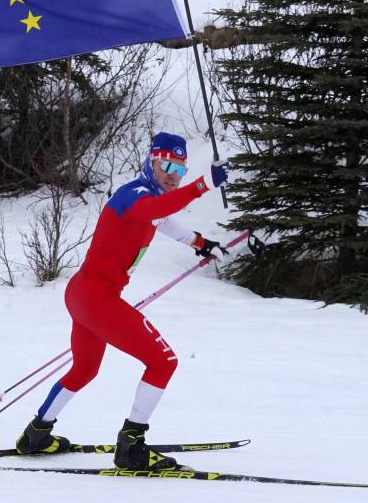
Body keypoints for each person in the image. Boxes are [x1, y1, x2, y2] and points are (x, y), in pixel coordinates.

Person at [15, 132, 230, 471]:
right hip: (96, 298)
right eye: (166, 165)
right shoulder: (133, 195)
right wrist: (204, 184)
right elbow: (157, 209)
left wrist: (201, 242)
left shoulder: (150, 200)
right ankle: (132, 447)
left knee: (85, 370)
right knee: (164, 362)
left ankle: (36, 435)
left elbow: (166, 222)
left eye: (180, 169)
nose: (173, 174)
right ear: (151, 161)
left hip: (85, 296)